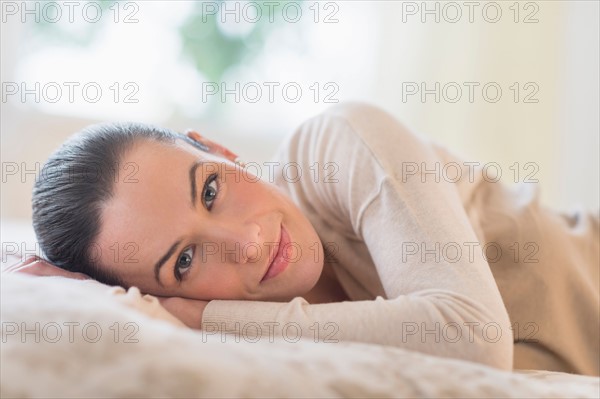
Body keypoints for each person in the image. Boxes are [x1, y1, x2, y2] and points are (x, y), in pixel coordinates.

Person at [15, 102, 599, 376]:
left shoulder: (338, 147)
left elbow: (473, 338)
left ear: (216, 149)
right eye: (185, 259)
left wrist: (200, 317)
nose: (246, 242)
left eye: (211, 189)